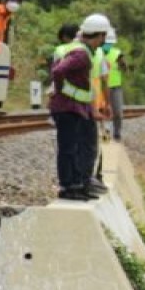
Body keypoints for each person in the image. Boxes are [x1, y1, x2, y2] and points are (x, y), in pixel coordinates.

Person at [48, 13, 109, 200]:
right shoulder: (81, 54)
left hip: (74, 107)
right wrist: (64, 90)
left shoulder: (82, 51)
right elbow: (58, 71)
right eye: (103, 37)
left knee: (74, 147)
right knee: (69, 149)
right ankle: (68, 187)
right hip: (68, 107)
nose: (103, 42)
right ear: (99, 35)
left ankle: (76, 185)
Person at [103, 29, 127, 141]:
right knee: (102, 112)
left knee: (117, 112)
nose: (108, 45)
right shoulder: (97, 52)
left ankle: (117, 133)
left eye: (110, 43)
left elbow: (124, 67)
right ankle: (104, 133)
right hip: (101, 87)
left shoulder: (118, 53)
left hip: (115, 87)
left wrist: (123, 65)